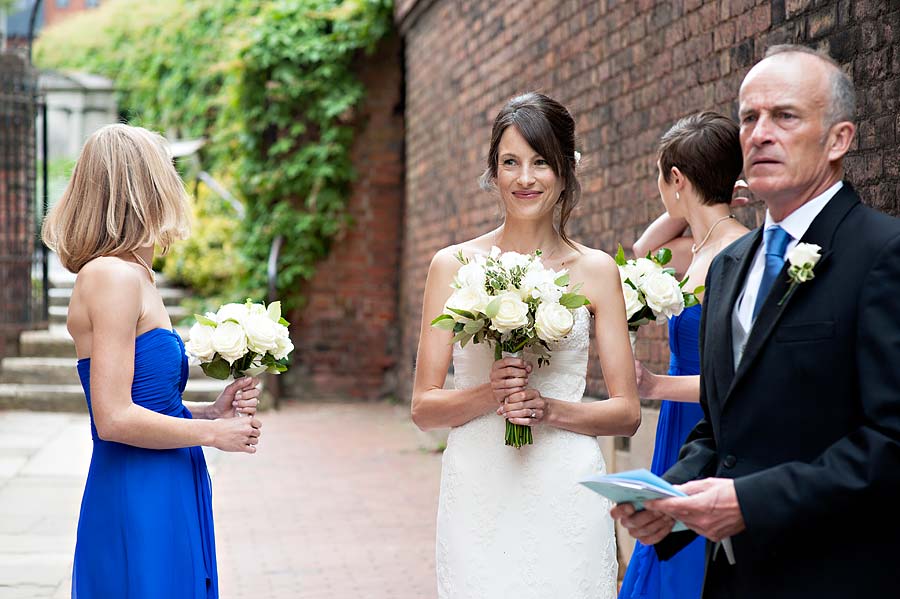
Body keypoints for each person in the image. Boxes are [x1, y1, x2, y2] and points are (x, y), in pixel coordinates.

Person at [612, 45, 900, 598]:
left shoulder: (882, 254)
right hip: (731, 578)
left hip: (838, 574)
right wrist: (667, 502)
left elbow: (892, 441)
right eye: (749, 117)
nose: (760, 132)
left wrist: (749, 501)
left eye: (785, 116)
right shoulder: (727, 268)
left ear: (839, 139)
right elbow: (721, 425)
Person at [411, 92, 641, 598]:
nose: (525, 178)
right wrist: (490, 395)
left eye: (541, 162)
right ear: (493, 172)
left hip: (566, 483)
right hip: (479, 484)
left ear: (565, 171)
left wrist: (549, 410)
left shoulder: (598, 271)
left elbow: (626, 413)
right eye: (510, 162)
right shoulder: (451, 266)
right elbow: (424, 408)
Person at [42, 124, 263, 599]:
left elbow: (146, 400)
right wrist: (213, 435)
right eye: (167, 172)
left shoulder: (136, 273)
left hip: (168, 475)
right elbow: (114, 417)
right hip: (138, 488)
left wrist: (209, 411)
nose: (175, 184)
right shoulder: (111, 276)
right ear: (142, 187)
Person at [619, 113, 749, 599]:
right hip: (678, 416)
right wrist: (702, 202)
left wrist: (652, 386)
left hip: (709, 415)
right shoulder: (694, 248)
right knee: (663, 539)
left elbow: (743, 376)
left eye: (663, 176)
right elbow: (641, 248)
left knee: (689, 554)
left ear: (675, 180)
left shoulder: (737, 252)